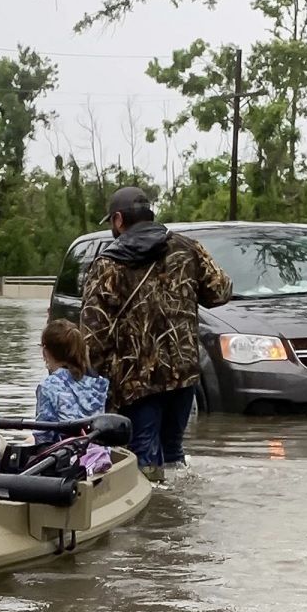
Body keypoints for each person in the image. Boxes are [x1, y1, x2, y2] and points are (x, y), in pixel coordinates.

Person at [81, 186, 232, 482]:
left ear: (119, 220)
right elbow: (221, 291)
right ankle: (177, 512)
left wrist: (95, 378)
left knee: (141, 454)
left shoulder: (107, 264)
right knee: (173, 450)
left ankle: (153, 516)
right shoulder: (188, 248)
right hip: (184, 371)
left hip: (134, 379)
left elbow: (93, 334)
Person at [35, 319, 109, 444]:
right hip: (96, 453)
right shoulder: (98, 383)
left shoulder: (48, 386)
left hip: (66, 455)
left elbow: (43, 435)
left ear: (45, 351)